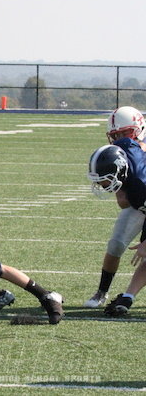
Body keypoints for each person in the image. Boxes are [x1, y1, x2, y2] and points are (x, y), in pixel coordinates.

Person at [83, 106, 146, 308]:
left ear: (139, 128)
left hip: (142, 195)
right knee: (116, 244)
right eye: (115, 135)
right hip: (140, 200)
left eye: (124, 133)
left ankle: (128, 296)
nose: (119, 139)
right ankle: (102, 292)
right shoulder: (122, 153)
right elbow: (123, 200)